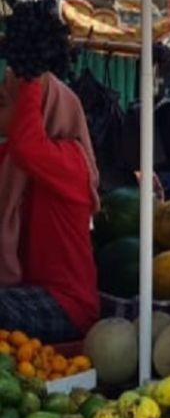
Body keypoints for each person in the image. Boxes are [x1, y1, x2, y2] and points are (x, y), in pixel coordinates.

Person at [0, 72, 100, 342]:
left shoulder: (71, 161)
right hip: (27, 293)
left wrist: (30, 73)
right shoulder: (11, 161)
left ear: (36, 113)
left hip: (68, 306)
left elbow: (27, 144)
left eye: (5, 103)